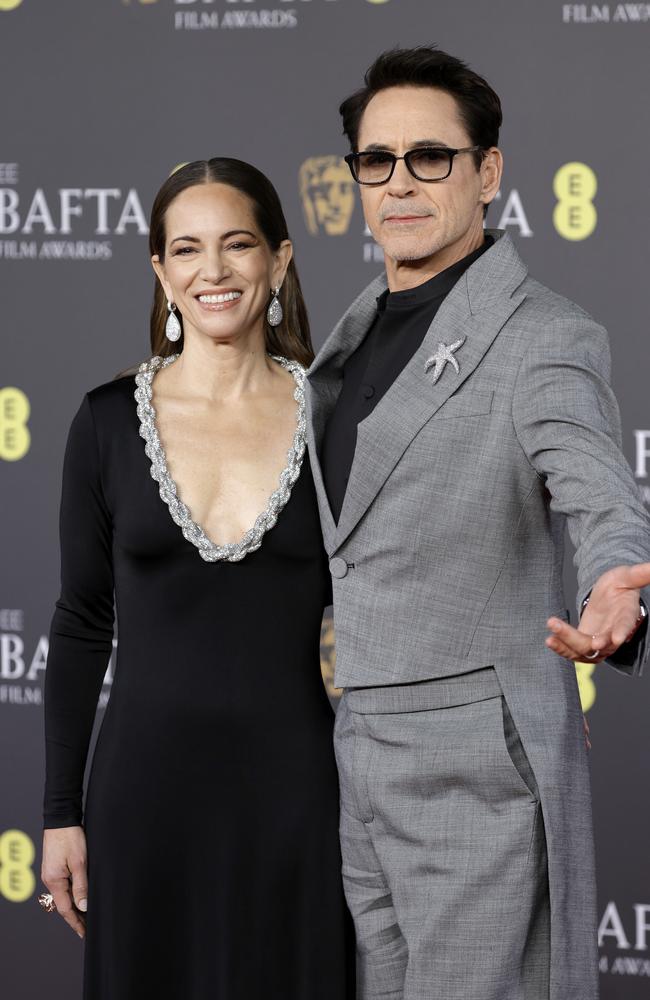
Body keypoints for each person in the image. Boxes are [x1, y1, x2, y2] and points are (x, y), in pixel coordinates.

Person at [305, 47, 650, 1000]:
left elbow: (597, 485)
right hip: (361, 759)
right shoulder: (352, 331)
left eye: (431, 157)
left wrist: (617, 573)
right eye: (377, 161)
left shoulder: (544, 335)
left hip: (477, 773)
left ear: (488, 172)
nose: (401, 182)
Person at [40, 157, 354, 1000]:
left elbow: (399, 595)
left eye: (237, 245)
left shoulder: (337, 419)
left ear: (280, 260)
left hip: (297, 796)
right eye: (186, 250)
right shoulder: (106, 422)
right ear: (161, 271)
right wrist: (60, 813)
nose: (211, 271)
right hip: (143, 795)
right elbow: (78, 623)